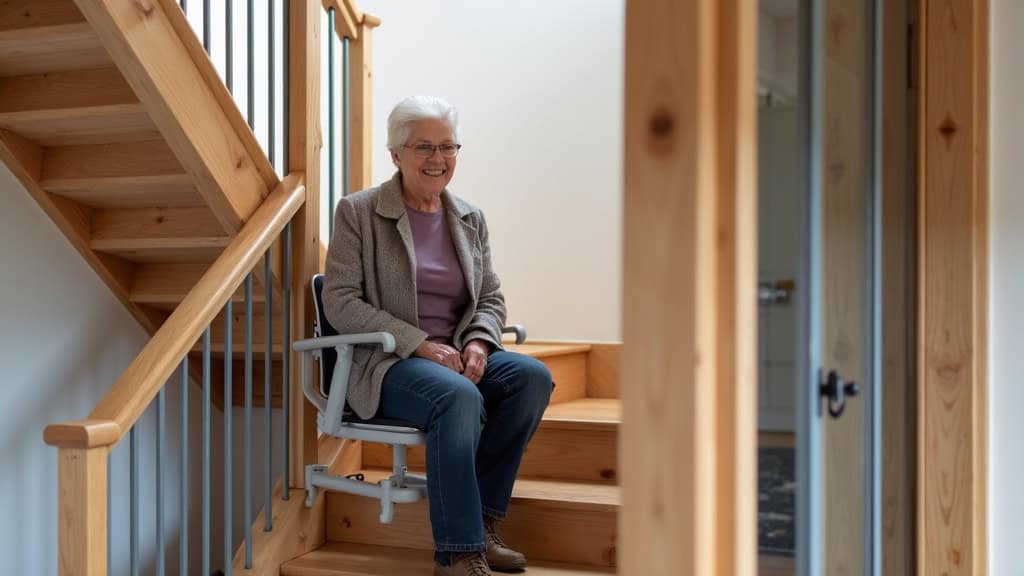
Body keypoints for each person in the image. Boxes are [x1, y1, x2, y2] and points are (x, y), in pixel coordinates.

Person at [322, 95, 554, 576]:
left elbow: (490, 297)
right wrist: (419, 344)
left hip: (455, 354)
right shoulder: (358, 212)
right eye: (424, 146)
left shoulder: (470, 218)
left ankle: (484, 529)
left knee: (531, 377)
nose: (438, 159)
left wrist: (478, 342)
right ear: (396, 154)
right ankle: (457, 553)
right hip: (390, 363)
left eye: (448, 146)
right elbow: (341, 302)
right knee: (458, 399)